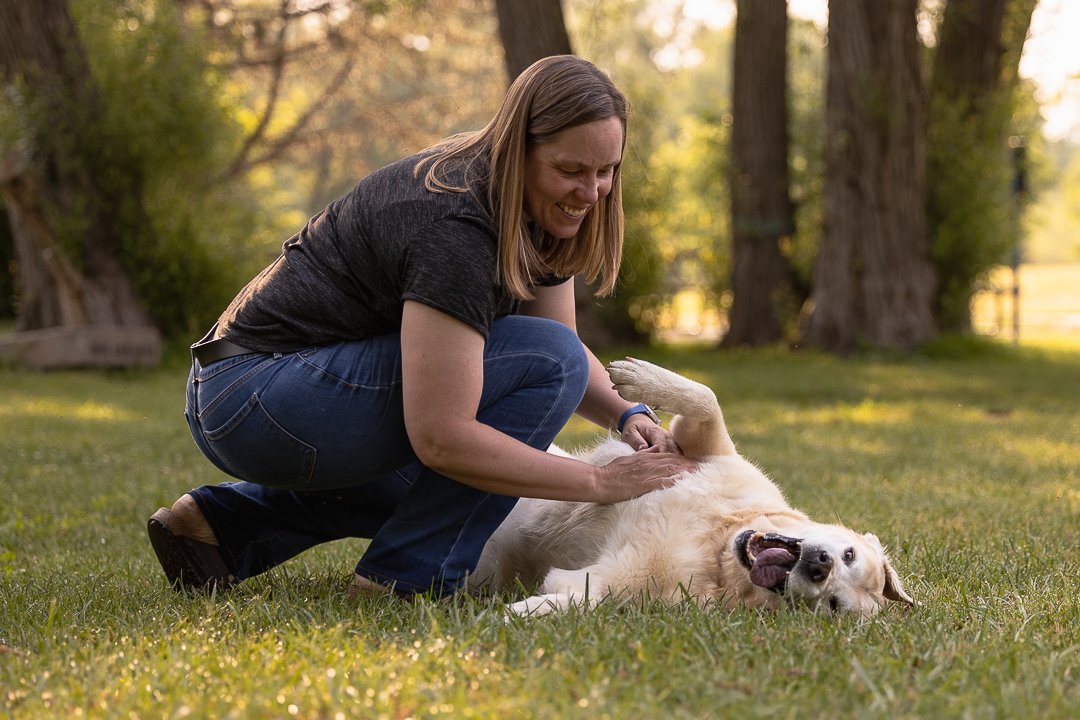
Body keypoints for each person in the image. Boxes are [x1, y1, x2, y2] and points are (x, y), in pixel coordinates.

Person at [147, 55, 694, 598]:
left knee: (469, 490)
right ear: (517, 149)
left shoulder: (540, 213)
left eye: (606, 171)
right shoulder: (455, 222)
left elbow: (565, 346)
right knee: (489, 447)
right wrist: (602, 482)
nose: (592, 191)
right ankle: (404, 576)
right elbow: (444, 435)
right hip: (256, 395)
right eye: (571, 171)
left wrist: (628, 415)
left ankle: (220, 527)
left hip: (251, 395)